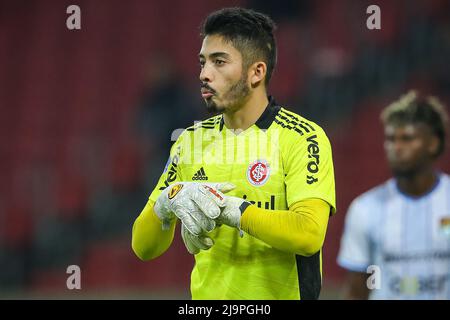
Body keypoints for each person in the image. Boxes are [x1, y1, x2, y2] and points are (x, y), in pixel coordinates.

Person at [131, 7, 336, 300]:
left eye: (219, 62)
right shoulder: (190, 141)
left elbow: (308, 234)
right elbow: (143, 247)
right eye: (203, 62)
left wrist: (234, 211)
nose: (204, 74)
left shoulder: (302, 137)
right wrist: (166, 202)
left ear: (256, 72)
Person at [337, 90, 450, 300]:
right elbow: (357, 289)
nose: (396, 148)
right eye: (390, 139)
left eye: (407, 139)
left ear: (433, 143)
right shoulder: (366, 208)